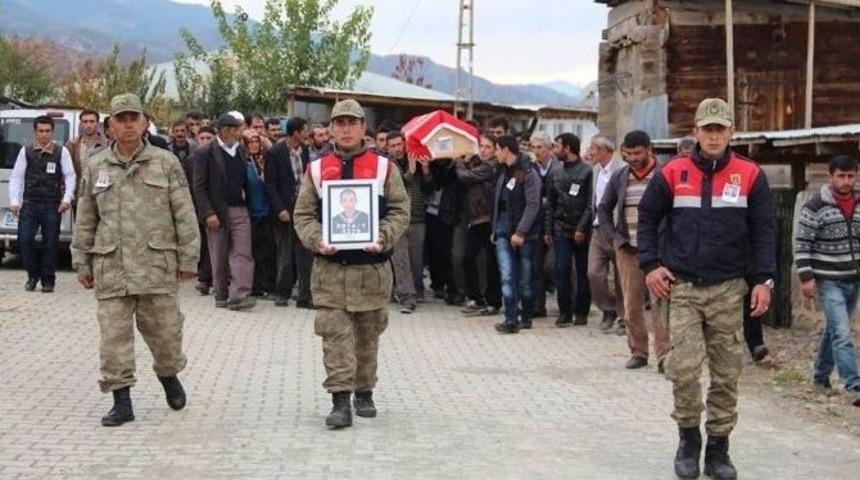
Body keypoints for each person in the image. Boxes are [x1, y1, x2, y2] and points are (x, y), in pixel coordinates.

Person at [637, 98, 775, 480]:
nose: (713, 137)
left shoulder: (750, 175)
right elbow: (647, 218)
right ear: (695, 132)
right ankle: (687, 441)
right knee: (682, 369)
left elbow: (765, 232)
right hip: (681, 288)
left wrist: (764, 280)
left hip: (730, 290)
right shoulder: (672, 173)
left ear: (731, 132)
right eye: (707, 129)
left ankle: (718, 448)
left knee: (727, 372)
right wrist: (650, 264)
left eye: (720, 129)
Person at [71, 93, 200, 427]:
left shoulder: (166, 162)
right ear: (109, 126)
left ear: (144, 124)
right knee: (113, 338)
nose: (128, 125)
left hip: (156, 264)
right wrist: (81, 261)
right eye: (121, 119)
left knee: (166, 334)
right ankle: (121, 399)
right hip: (111, 265)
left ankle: (169, 374)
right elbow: (85, 217)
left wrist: (189, 257)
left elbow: (184, 213)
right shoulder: (97, 166)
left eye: (134, 118)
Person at [293, 98, 409, 428]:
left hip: (371, 271)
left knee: (367, 336)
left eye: (352, 123)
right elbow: (302, 215)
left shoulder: (385, 168)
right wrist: (317, 239)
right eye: (339, 123)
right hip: (330, 270)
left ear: (363, 128)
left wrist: (383, 236)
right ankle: (340, 400)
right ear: (330, 129)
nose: (345, 129)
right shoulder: (315, 169)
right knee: (335, 337)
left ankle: (364, 391)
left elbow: (400, 210)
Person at [598, 130, 670, 370]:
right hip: (628, 249)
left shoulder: (664, 175)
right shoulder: (620, 177)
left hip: (659, 252)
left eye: (638, 153)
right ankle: (638, 351)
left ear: (649, 150)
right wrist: (613, 239)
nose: (633, 158)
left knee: (661, 304)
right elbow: (603, 209)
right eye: (628, 154)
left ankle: (664, 356)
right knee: (631, 304)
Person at [795, 154, 860, 407]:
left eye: (851, 176)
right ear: (831, 176)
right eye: (841, 176)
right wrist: (806, 276)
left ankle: (820, 376)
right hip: (828, 279)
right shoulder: (815, 206)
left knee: (834, 329)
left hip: (853, 277)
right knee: (843, 332)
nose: (846, 181)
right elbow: (802, 243)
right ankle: (854, 384)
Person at [191, 112, 256, 311]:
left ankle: (240, 295)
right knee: (218, 255)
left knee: (243, 253)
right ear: (226, 131)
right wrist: (208, 213)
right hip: (217, 211)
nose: (240, 132)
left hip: (239, 209)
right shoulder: (205, 153)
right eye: (237, 129)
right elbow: (199, 187)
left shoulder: (241, 151)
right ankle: (221, 294)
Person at [8, 115, 76, 292]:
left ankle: (48, 280)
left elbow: (70, 176)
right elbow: (16, 177)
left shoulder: (62, 152)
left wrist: (66, 199)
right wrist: (15, 201)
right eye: (41, 131)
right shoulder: (26, 151)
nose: (44, 134)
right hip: (30, 204)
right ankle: (33, 275)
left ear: (52, 131)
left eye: (47, 131)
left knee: (50, 244)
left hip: (52, 205)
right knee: (24, 240)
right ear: (35, 131)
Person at [491, 135, 542, 333]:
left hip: (525, 233)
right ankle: (510, 318)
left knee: (526, 279)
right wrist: (494, 229)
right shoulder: (502, 171)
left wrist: (521, 231)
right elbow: (497, 202)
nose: (495, 153)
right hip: (503, 229)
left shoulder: (528, 172)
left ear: (505, 150)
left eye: (496, 149)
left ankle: (526, 315)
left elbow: (533, 205)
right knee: (507, 275)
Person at [545, 132, 592, 327]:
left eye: (557, 146)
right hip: (561, 228)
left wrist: (581, 228)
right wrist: (548, 230)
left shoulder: (587, 171)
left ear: (568, 148)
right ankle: (564, 312)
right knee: (561, 269)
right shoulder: (555, 172)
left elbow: (591, 203)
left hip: (581, 229)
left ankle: (582, 311)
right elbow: (550, 204)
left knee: (583, 272)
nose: (554, 150)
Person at [266, 116, 313, 308]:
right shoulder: (276, 152)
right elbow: (270, 184)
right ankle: (282, 292)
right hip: (284, 210)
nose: (307, 134)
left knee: (305, 253)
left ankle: (304, 295)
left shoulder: (305, 151)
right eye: (304, 130)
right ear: (295, 132)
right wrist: (280, 209)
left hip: (303, 209)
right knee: (285, 254)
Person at [456, 134, 502, 317]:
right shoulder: (479, 163)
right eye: (481, 146)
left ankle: (493, 301)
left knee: (492, 263)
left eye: (488, 147)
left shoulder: (491, 166)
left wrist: (459, 162)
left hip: (489, 219)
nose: (483, 150)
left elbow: (464, 177)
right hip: (476, 219)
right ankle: (477, 298)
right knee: (468, 258)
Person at [388, 131, 433, 313]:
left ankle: (418, 289)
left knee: (416, 258)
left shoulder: (416, 158)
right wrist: (411, 171)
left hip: (417, 217)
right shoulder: (388, 165)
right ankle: (407, 295)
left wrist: (426, 169)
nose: (397, 148)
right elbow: (398, 183)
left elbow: (430, 188)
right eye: (393, 145)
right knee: (400, 257)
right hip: (397, 218)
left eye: (400, 144)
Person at [587, 135, 626, 333]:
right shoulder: (595, 170)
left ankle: (624, 318)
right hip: (597, 228)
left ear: (604, 151)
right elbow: (594, 200)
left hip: (618, 229)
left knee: (622, 276)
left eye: (593, 148)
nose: (590, 152)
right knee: (593, 272)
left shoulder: (622, 170)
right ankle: (608, 308)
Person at [531, 131, 560, 319]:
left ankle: (570, 302)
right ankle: (537, 306)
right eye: (533, 147)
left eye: (539, 147)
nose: (536, 151)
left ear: (550, 149)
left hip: (556, 223)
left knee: (552, 265)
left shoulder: (559, 168)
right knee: (536, 266)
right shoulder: (529, 167)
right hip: (535, 222)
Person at [244, 131, 276, 298]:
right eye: (250, 142)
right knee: (253, 251)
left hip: (267, 212)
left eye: (257, 141)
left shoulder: (265, 161)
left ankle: (267, 284)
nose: (254, 145)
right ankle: (255, 285)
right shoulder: (244, 163)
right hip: (251, 212)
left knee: (268, 250)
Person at [66, 109, 107, 198]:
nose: (88, 125)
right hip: (79, 195)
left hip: (101, 195)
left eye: (92, 121)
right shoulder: (72, 145)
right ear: (80, 124)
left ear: (97, 123)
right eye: (85, 121)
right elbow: (66, 172)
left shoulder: (107, 145)